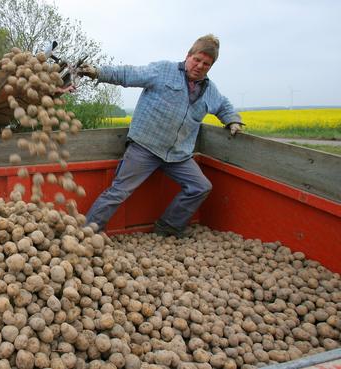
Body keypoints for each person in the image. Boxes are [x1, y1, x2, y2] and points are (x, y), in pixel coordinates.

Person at [77, 34, 244, 238]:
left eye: (206, 64)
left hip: (178, 155)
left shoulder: (210, 90)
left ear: (211, 66)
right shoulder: (164, 71)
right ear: (188, 55)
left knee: (200, 187)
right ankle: (87, 232)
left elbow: (223, 105)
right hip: (145, 146)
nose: (200, 66)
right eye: (197, 60)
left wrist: (232, 120)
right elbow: (128, 74)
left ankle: (168, 228)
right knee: (119, 191)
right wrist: (97, 72)